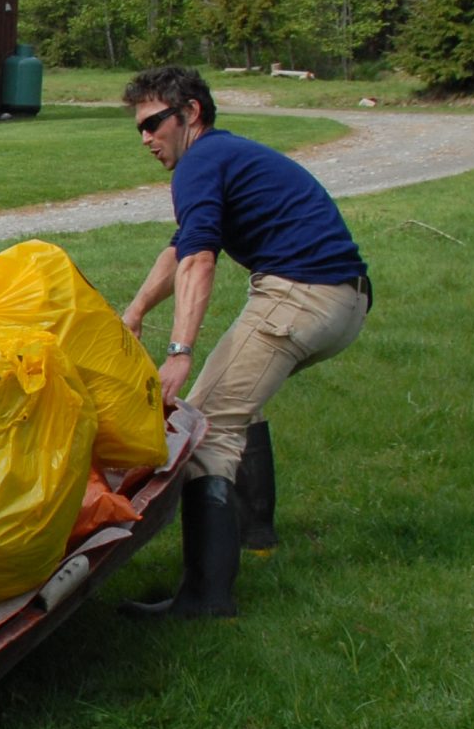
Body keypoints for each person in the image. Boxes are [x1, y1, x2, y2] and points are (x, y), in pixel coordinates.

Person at [116, 65, 371, 618]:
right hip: (342, 301)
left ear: (191, 114)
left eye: (154, 123)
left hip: (303, 295)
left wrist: (179, 353)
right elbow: (184, 246)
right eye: (138, 127)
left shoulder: (201, 161)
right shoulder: (220, 157)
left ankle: (207, 598)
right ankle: (256, 532)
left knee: (204, 423)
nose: (145, 138)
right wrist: (135, 311)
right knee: (240, 396)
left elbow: (200, 262)